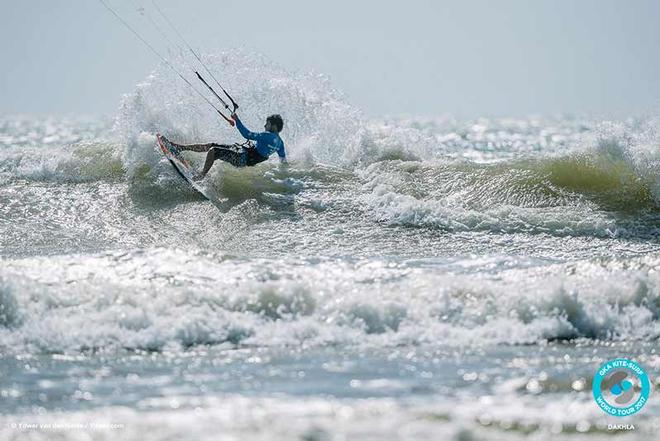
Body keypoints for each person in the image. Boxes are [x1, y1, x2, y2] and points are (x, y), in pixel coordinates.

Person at [176, 113, 286, 179]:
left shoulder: (268, 136)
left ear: (274, 126)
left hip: (242, 157)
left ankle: (201, 176)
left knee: (213, 151)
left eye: (267, 123)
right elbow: (283, 162)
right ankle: (180, 148)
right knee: (213, 145)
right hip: (242, 156)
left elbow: (246, 134)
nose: (265, 125)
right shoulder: (280, 144)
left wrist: (236, 120)